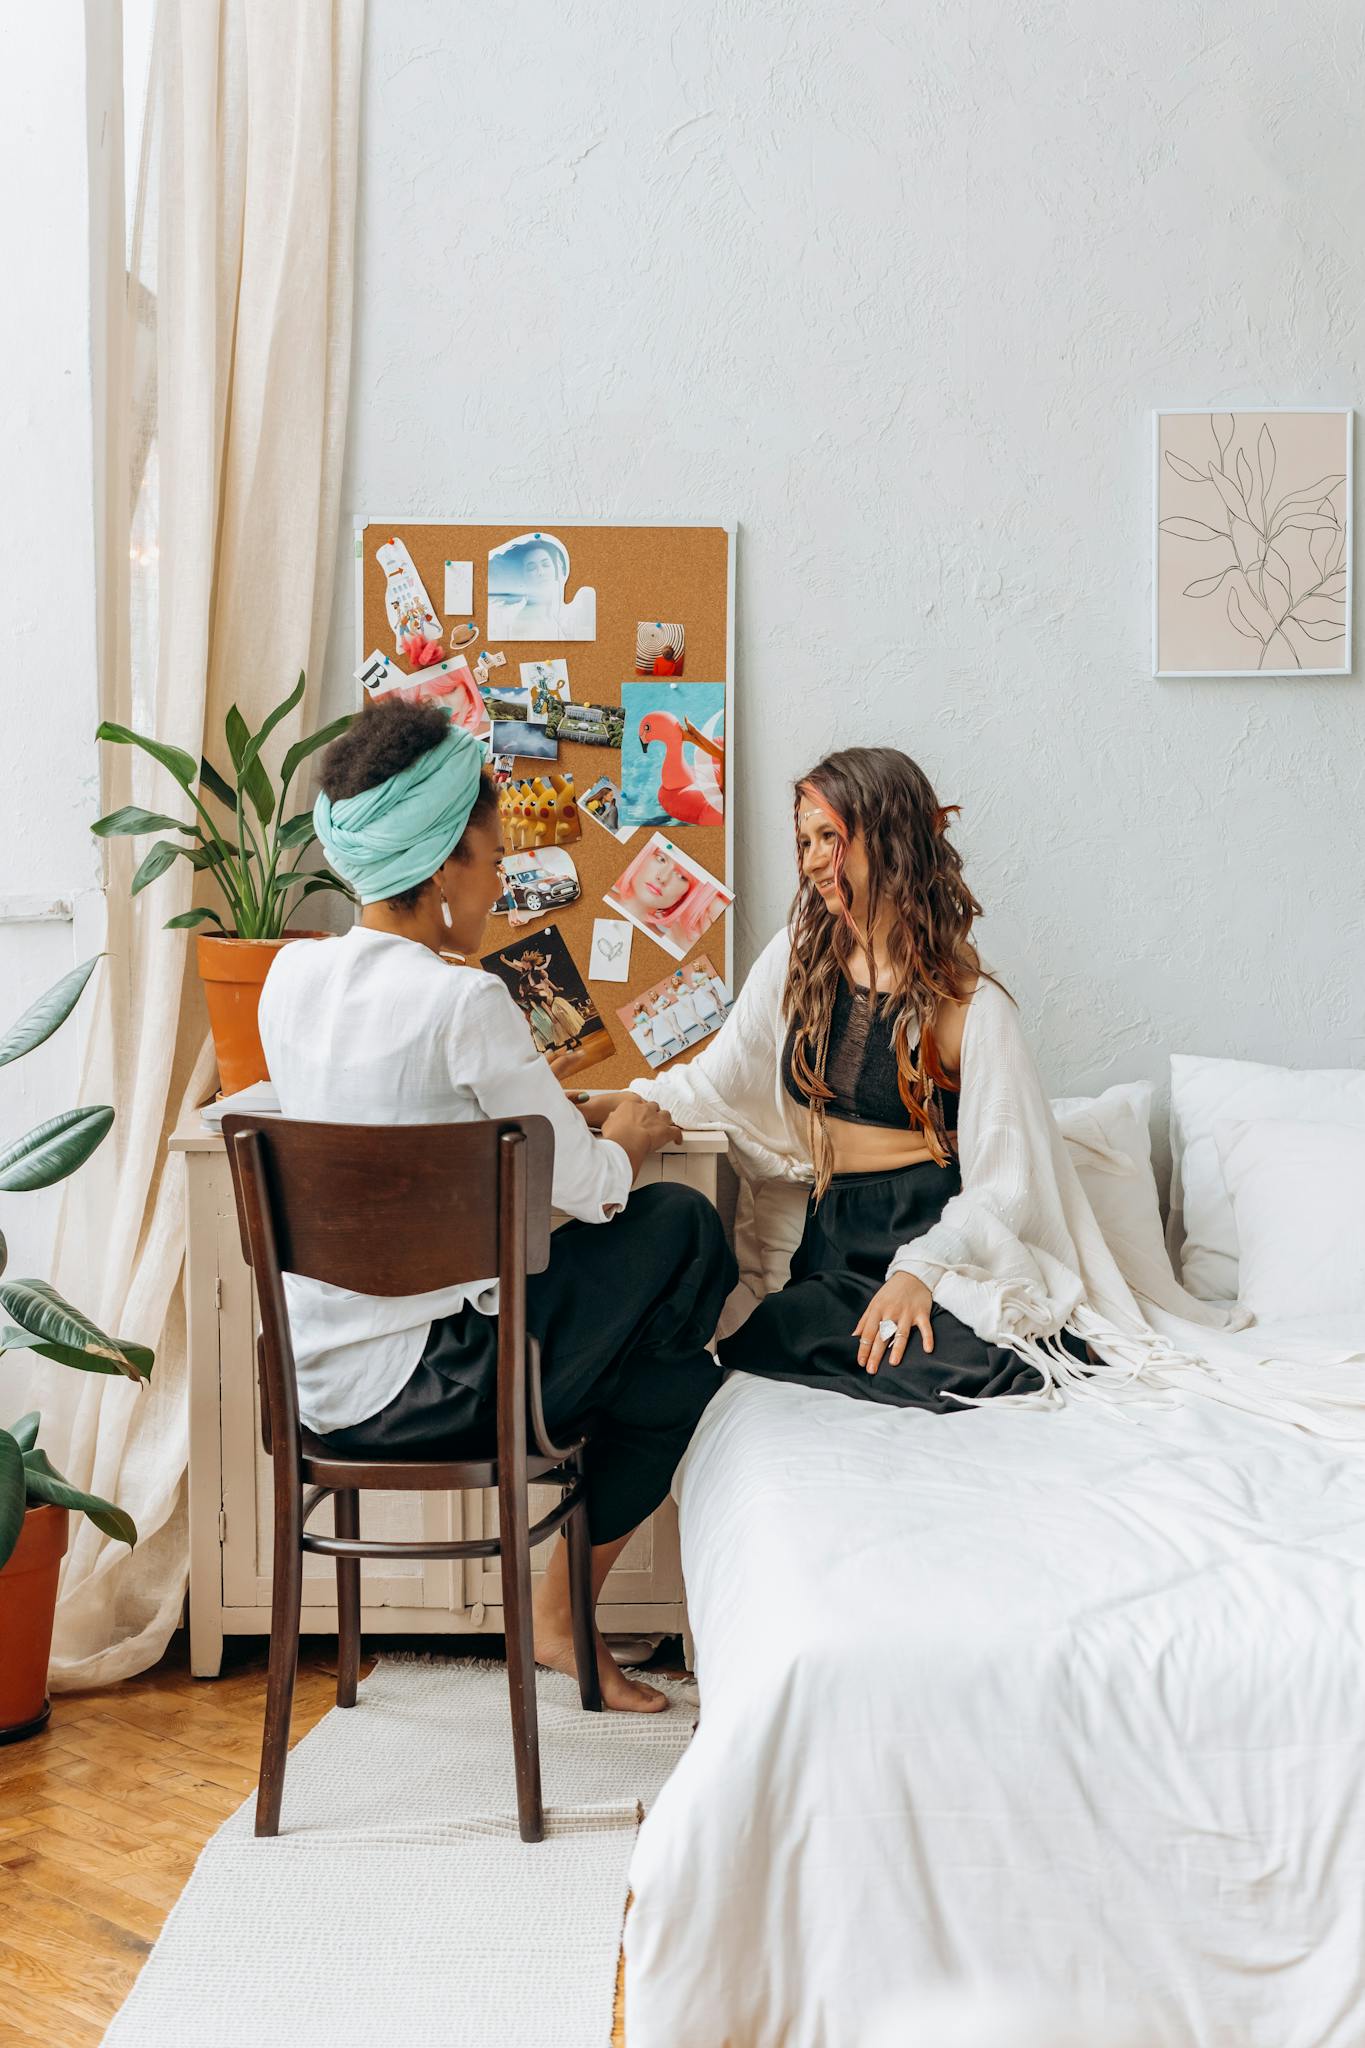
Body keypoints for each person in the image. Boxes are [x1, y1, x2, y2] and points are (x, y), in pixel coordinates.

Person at [257, 697, 735, 1710]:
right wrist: (632, 1134)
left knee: (650, 1354)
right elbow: (596, 1190)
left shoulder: (289, 980)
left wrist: (547, 1117)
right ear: (442, 868)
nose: (498, 876)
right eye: (489, 854)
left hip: (315, 1390)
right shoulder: (464, 1000)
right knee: (683, 1238)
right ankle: (562, 1607)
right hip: (438, 1389)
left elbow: (390, 1128)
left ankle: (563, 1601)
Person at [578, 746, 1118, 1412]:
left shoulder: (968, 1004)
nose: (807, 859)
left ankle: (1014, 1356)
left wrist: (923, 1269)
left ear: (889, 839)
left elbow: (1006, 1180)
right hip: (836, 1234)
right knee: (762, 1335)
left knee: (989, 1357)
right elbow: (714, 1084)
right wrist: (590, 1106)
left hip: (926, 1227)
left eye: (827, 837)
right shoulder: (797, 957)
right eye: (803, 840)